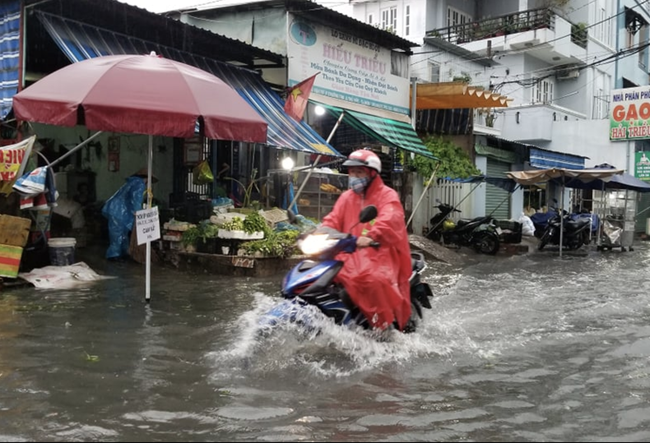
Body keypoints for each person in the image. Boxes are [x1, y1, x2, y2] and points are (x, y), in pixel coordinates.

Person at [320, 149, 412, 331]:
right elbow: (333, 219)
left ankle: (382, 326)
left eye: (359, 172)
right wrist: (318, 232)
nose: (353, 176)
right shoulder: (346, 197)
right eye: (352, 172)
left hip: (379, 252)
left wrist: (371, 236)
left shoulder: (387, 196)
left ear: (372, 174)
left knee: (371, 280)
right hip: (348, 251)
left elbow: (390, 218)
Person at [101, 167, 157, 261]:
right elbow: (136, 198)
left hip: (117, 210)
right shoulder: (139, 184)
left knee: (122, 233)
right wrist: (137, 211)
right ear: (147, 178)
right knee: (117, 234)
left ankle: (122, 253)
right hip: (118, 210)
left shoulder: (133, 182)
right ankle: (113, 255)